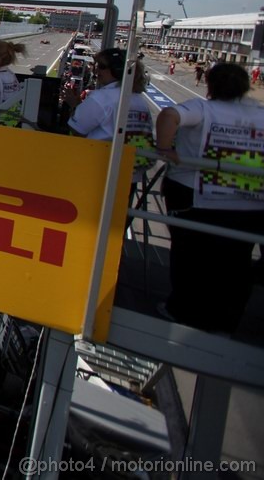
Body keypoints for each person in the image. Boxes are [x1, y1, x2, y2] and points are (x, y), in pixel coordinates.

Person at [154, 62, 264, 332]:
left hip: (194, 196)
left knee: (189, 256)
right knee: (236, 262)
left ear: (211, 85)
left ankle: (181, 310)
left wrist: (164, 148)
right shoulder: (259, 114)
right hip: (247, 201)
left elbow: (169, 115)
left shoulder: (203, 108)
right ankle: (227, 318)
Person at [65, 48, 155, 186]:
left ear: (117, 70)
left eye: (101, 66)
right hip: (130, 176)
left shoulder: (102, 98)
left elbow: (77, 128)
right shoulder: (140, 100)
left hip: (100, 173)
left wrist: (74, 105)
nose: (97, 71)